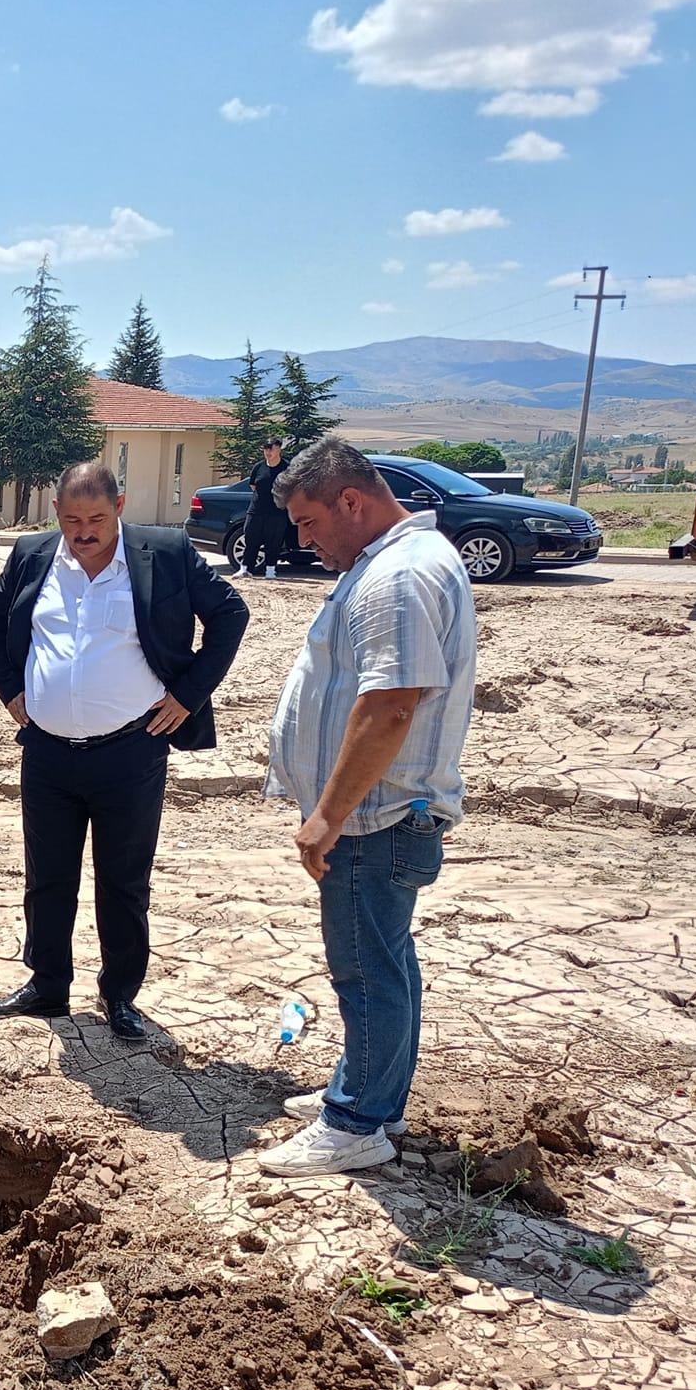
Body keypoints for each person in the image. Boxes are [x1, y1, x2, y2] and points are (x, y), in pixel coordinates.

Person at [258, 439, 476, 1178]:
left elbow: (388, 709)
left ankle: (356, 1122)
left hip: (375, 819)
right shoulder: (392, 565)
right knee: (386, 961)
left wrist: (327, 816)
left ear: (352, 502)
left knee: (364, 970)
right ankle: (376, 1095)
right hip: (382, 815)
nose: (302, 538)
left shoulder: (399, 576)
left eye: (310, 520)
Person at [0, 462, 250, 1038]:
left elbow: (230, 613)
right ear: (56, 514)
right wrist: (10, 691)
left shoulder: (166, 552)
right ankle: (47, 984)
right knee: (46, 875)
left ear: (119, 507)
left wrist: (188, 695)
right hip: (47, 752)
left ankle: (120, 995)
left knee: (123, 880)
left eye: (96, 518)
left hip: (131, 751)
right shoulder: (33, 554)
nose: (83, 532)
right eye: (72, 519)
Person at [241, 436, 290, 578]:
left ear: (279, 448)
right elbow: (253, 485)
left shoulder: (286, 468)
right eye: (266, 449)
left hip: (277, 512)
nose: (268, 452)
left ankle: (270, 570)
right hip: (256, 510)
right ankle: (245, 569)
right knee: (251, 540)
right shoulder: (258, 467)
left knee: (273, 542)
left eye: (271, 448)